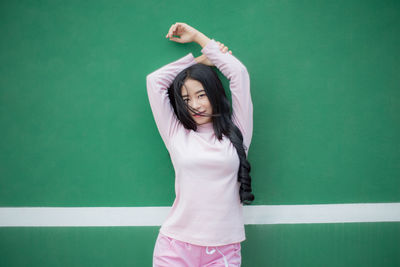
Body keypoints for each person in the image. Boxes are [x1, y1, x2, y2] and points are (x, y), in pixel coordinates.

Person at [147, 22, 254, 267]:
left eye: (201, 95)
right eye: (186, 99)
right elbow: (154, 82)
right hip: (174, 247)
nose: (195, 105)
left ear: (214, 94)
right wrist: (198, 62)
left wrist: (197, 36)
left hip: (223, 251)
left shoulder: (238, 132)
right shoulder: (176, 133)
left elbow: (239, 74)